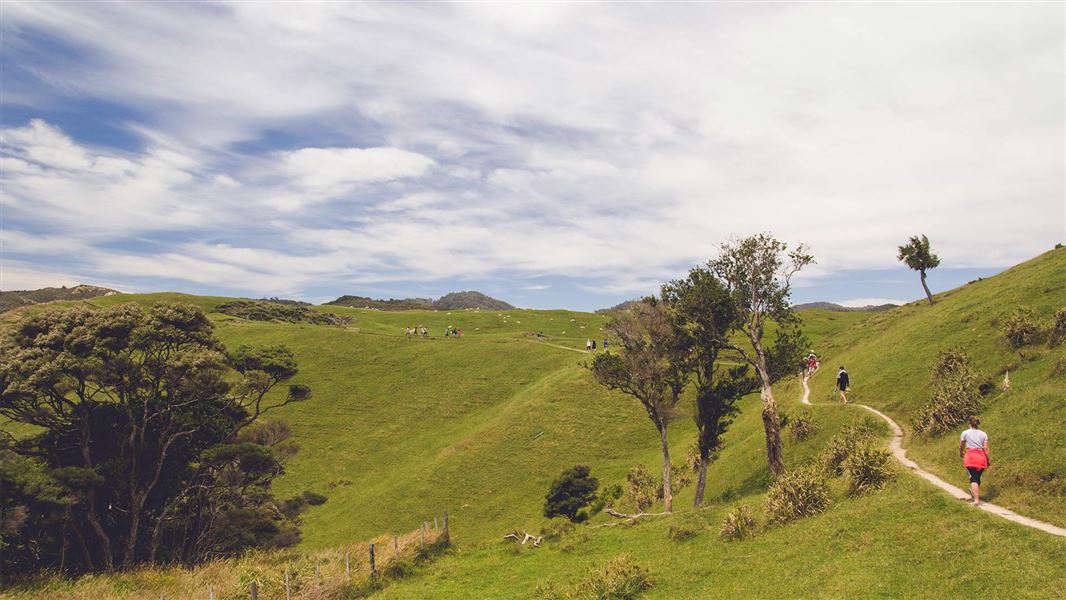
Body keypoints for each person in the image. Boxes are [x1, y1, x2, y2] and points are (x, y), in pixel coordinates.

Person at [959, 416, 990, 506]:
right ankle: (974, 492)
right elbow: (986, 449)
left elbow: (961, 445)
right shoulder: (983, 434)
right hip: (981, 457)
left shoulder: (965, 433)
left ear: (969, 423)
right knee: (977, 477)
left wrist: (961, 453)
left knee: (973, 478)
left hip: (971, 457)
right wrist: (987, 460)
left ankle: (976, 500)